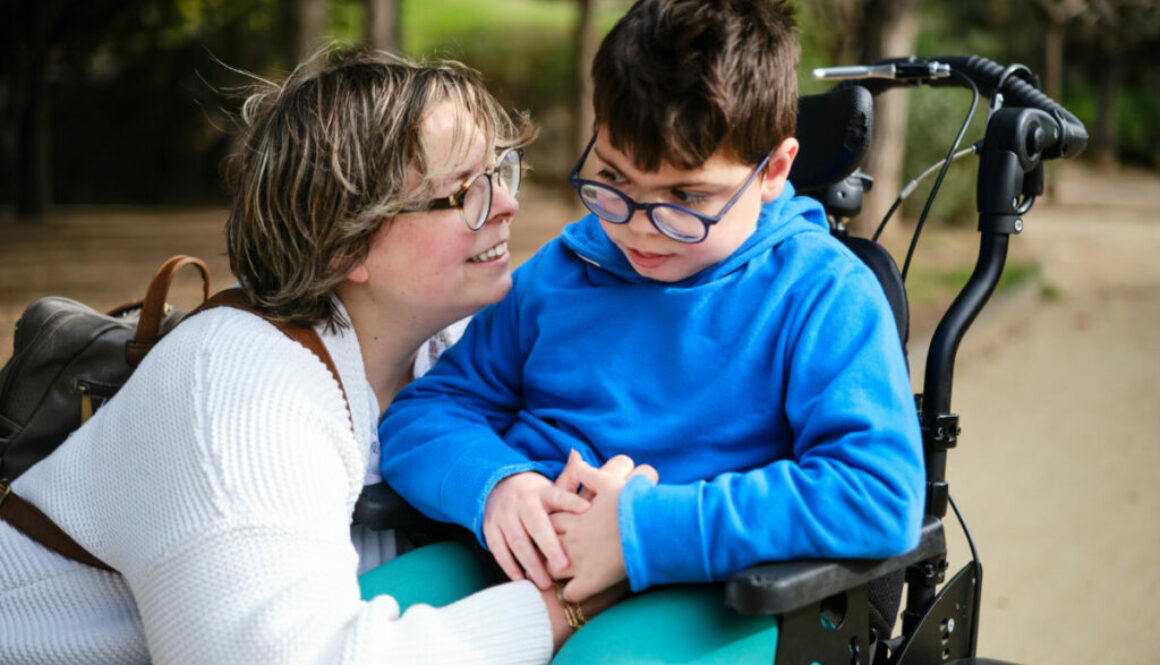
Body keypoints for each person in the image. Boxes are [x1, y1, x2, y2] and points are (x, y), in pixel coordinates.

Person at [0, 49, 630, 665]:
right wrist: (560, 610)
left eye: (502, 173)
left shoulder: (456, 347)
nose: (509, 205)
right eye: (466, 192)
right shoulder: (236, 391)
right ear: (344, 246)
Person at [378, 0, 924, 659]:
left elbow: (877, 492)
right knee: (362, 625)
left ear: (775, 170)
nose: (639, 224)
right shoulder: (562, 270)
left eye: (687, 198)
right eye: (613, 177)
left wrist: (639, 529)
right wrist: (497, 482)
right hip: (528, 551)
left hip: (714, 588)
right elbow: (428, 411)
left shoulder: (823, 293)